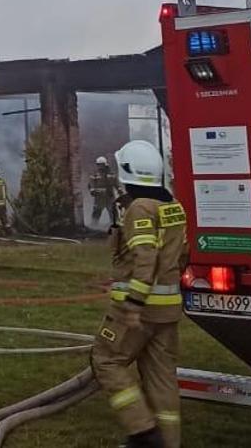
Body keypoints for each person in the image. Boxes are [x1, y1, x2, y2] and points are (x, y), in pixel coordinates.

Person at [91, 140, 187, 448]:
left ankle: (142, 432)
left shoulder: (139, 209)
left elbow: (146, 257)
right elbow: (181, 254)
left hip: (140, 310)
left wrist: (133, 303)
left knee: (106, 360)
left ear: (127, 172)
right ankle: (168, 442)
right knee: (161, 378)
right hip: (168, 310)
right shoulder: (173, 207)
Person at [90, 155, 120, 229]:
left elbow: (117, 184)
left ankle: (115, 227)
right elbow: (91, 186)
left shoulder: (111, 174)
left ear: (105, 165)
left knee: (113, 212)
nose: (100, 167)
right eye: (99, 165)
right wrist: (95, 191)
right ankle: (94, 226)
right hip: (99, 198)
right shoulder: (94, 175)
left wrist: (120, 191)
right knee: (96, 212)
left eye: (101, 165)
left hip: (110, 197)